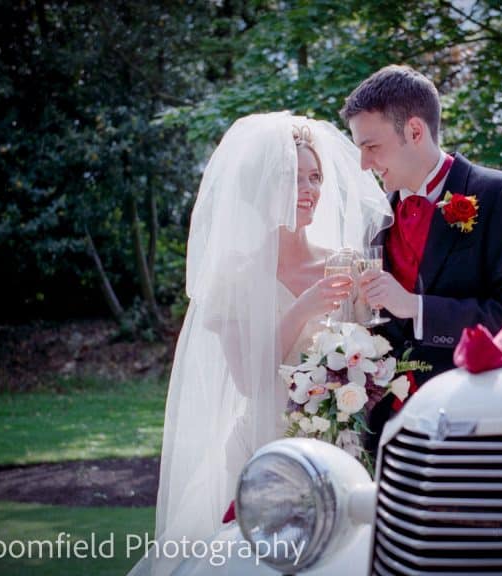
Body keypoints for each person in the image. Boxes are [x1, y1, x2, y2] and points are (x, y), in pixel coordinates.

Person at [126, 112, 391, 576]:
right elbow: (249, 380)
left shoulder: (344, 265)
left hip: (338, 450)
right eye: (294, 179)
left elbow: (371, 357)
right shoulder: (233, 278)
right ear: (262, 190)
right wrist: (302, 307)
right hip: (261, 452)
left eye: (315, 177)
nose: (309, 190)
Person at [344, 65, 502, 454]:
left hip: (481, 423)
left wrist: (416, 307)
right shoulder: (374, 219)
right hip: (390, 435)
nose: (363, 165)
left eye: (371, 147)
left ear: (415, 132)